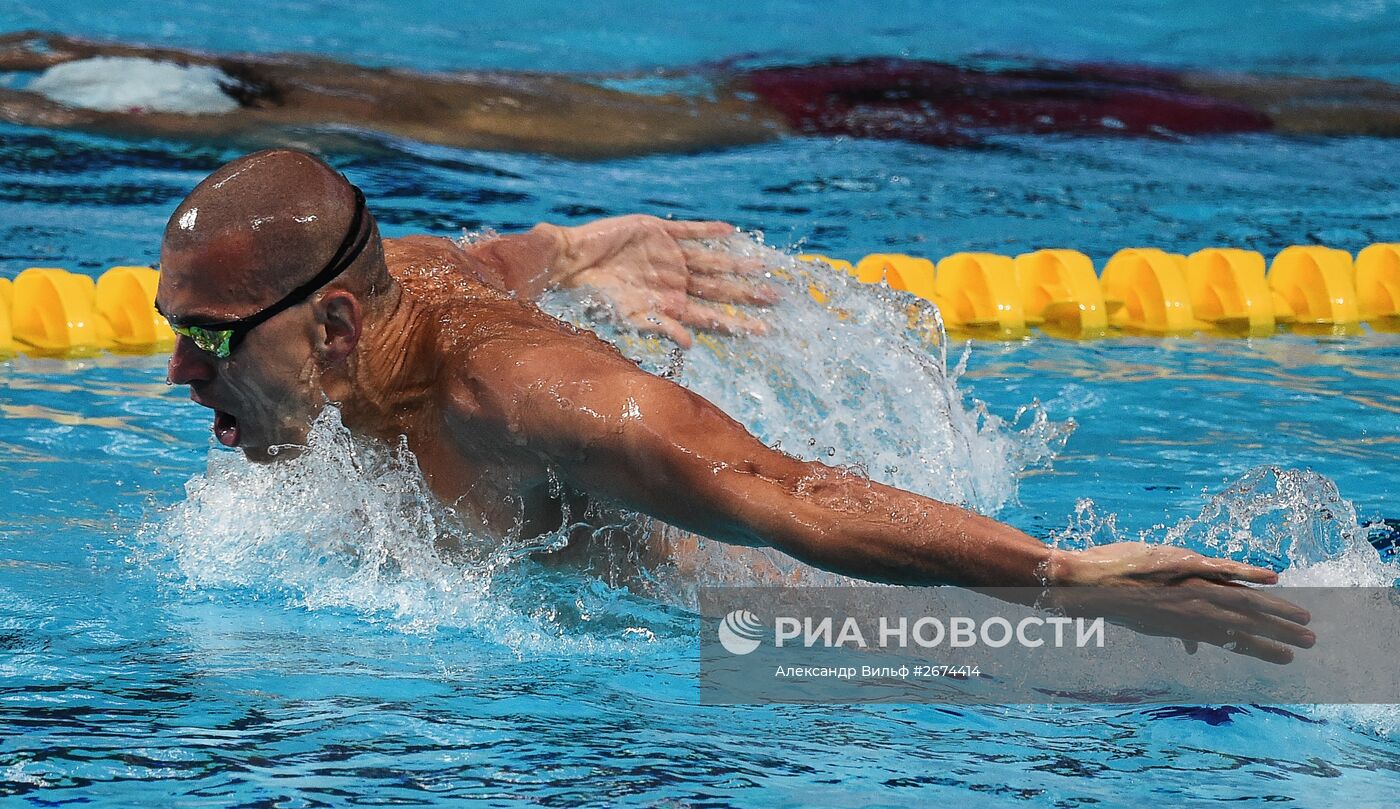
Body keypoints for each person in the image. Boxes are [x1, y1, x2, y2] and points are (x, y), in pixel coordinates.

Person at [156, 148, 1313, 663]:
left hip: (806, 629)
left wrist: (1056, 577)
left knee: (1315, 641)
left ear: (334, 325)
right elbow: (473, 257)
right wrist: (572, 249)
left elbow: (781, 488)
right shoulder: (377, 291)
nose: (177, 374)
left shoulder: (532, 402)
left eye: (205, 340)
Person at [3, 31, 1400, 158]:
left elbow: (59, 107)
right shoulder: (327, 81)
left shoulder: (295, 124)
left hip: (799, 123)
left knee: (1262, 119)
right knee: (1222, 99)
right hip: (769, 90)